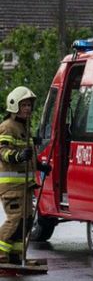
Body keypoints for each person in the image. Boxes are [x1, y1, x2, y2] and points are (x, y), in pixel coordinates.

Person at [0, 87, 46, 264]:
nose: (28, 108)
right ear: (14, 106)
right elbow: (2, 151)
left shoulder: (24, 127)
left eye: (29, 105)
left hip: (24, 186)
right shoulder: (7, 127)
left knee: (25, 221)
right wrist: (18, 156)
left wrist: (40, 166)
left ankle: (16, 256)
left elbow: (28, 155)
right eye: (24, 105)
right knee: (15, 220)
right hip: (11, 187)